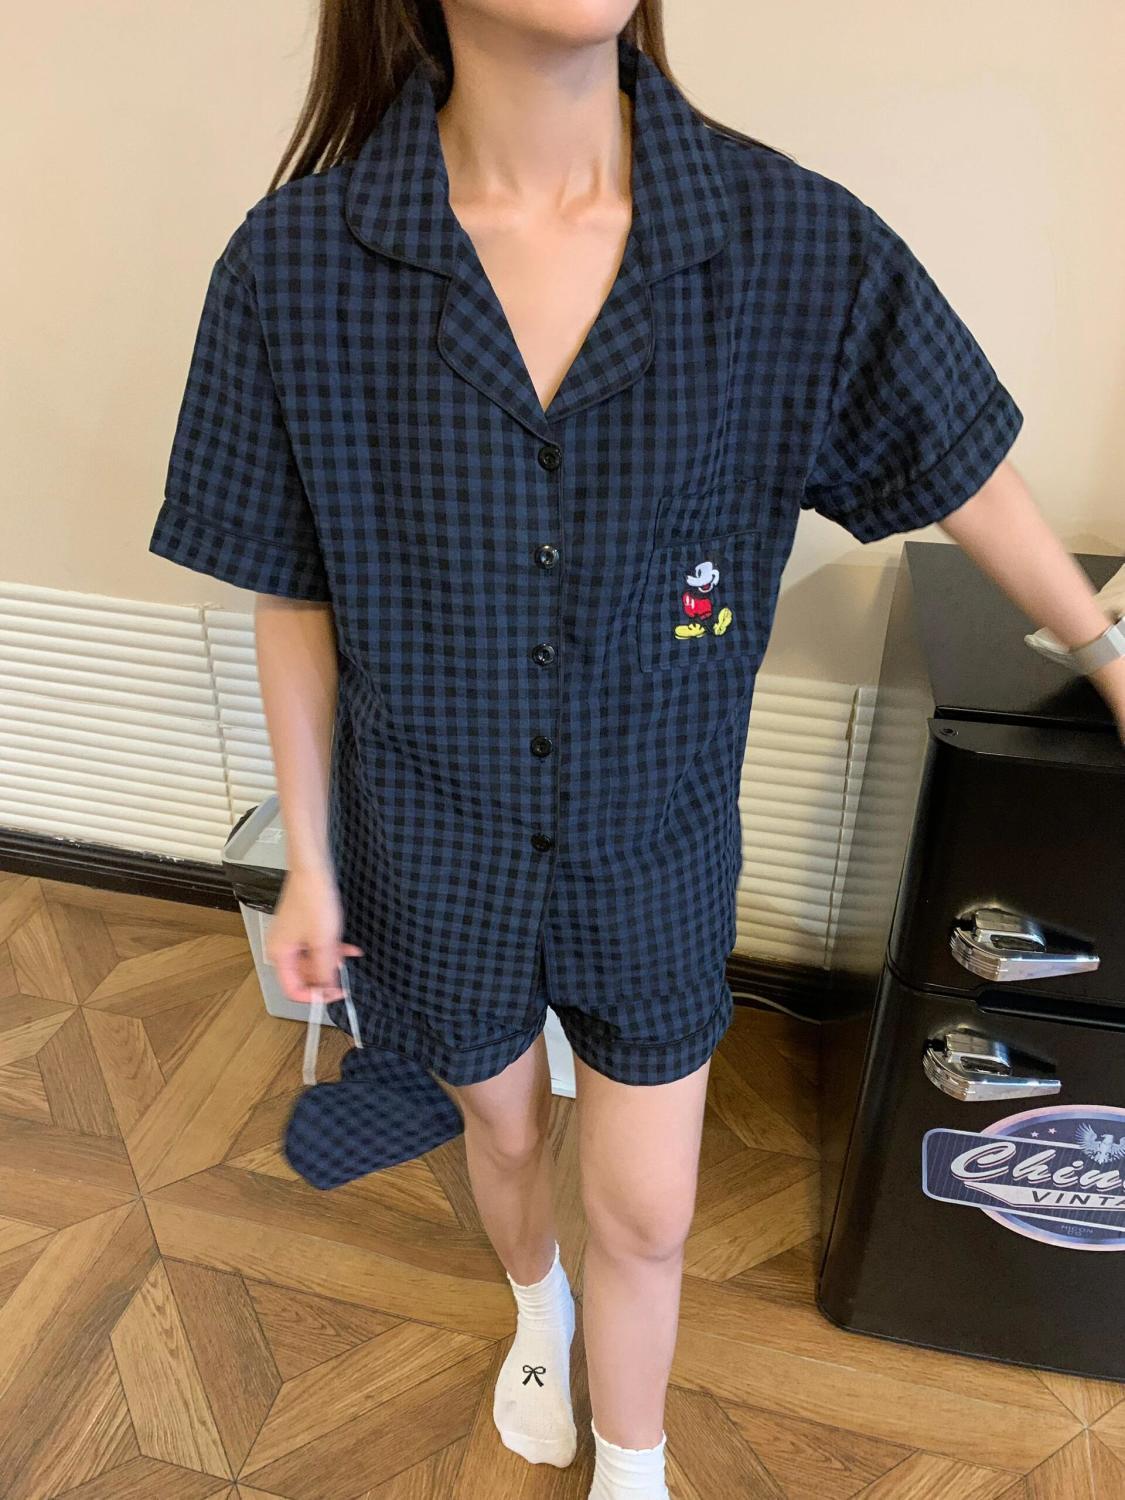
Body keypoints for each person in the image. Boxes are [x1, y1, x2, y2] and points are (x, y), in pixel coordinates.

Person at [147, 6, 1125, 1497]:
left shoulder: (788, 241)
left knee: (654, 1210)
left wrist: (1104, 653)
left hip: (655, 843)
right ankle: (535, 1305)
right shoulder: (294, 268)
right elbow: (293, 587)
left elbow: (957, 456)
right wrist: (312, 865)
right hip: (428, 840)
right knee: (503, 1134)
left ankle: (634, 1457)